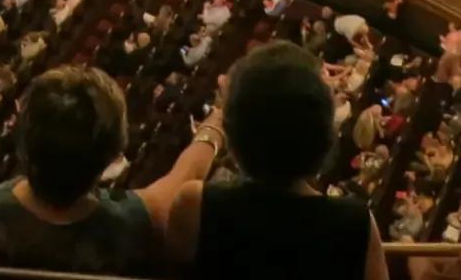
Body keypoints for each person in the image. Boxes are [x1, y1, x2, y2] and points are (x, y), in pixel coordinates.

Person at [0, 65, 222, 271]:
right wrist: (216, 121)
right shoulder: (136, 219)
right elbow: (189, 172)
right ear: (112, 155)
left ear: (23, 142)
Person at [163, 41, 384, 277]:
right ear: (324, 136)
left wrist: (208, 134)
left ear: (235, 132)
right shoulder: (356, 224)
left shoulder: (196, 205)